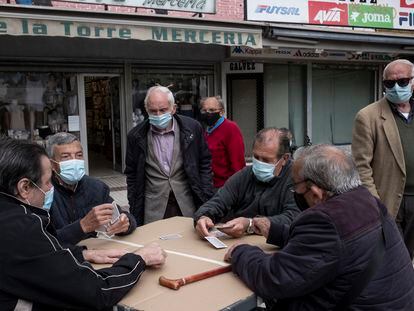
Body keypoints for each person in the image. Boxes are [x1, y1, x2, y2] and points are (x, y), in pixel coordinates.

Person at [224, 144, 414, 310]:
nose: (295, 193)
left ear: (315, 192)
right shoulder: (367, 200)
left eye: (295, 188)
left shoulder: (325, 220)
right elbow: (334, 247)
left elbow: (275, 277)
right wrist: (274, 231)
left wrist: (241, 253)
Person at [0, 138, 167, 310]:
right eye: (47, 182)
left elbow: (44, 255)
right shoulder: (24, 226)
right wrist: (140, 258)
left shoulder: (96, 187)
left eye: (78, 155)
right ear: (25, 187)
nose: (50, 189)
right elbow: (96, 291)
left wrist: (85, 252)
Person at [125, 86, 214, 225]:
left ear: (173, 108)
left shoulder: (193, 128)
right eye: (153, 111)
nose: (158, 115)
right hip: (153, 209)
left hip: (188, 204)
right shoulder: (136, 136)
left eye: (163, 110)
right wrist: (134, 204)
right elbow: (131, 174)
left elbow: (204, 163)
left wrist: (206, 195)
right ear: (146, 110)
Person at [352, 59, 414, 258]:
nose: (397, 87)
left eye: (403, 81)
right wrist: (376, 205)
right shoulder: (368, 116)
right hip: (390, 200)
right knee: (391, 257)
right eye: (390, 83)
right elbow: (361, 167)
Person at [194, 127, 300, 238]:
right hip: (240, 244)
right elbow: (219, 200)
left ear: (284, 159)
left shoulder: (297, 179)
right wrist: (204, 217)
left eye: (266, 160)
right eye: (256, 157)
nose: (259, 163)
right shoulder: (245, 175)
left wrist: (250, 224)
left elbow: (293, 217)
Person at [46, 132, 137, 245]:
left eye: (79, 155)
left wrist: (125, 223)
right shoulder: (43, 192)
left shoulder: (96, 187)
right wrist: (82, 227)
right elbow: (42, 241)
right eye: (66, 157)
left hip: (98, 252)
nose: (74, 161)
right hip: (62, 257)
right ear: (52, 164)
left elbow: (120, 215)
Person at [199, 96, 245, 189]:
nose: (208, 113)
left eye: (212, 110)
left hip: (224, 187)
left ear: (222, 112)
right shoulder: (205, 129)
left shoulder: (230, 128)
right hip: (208, 185)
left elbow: (238, 163)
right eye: (204, 110)